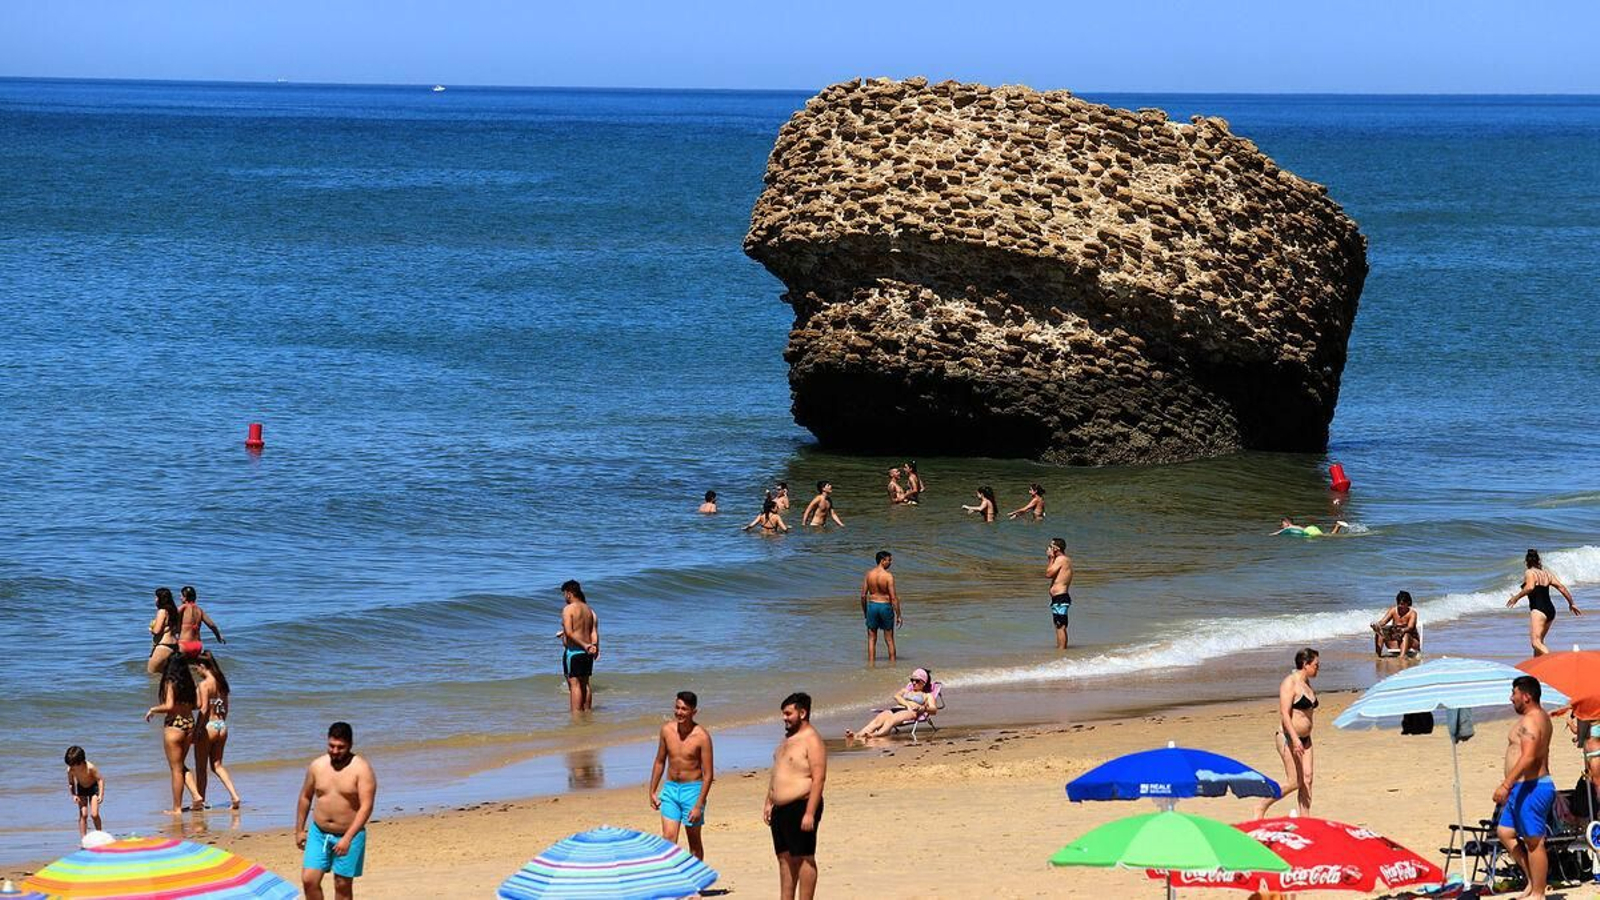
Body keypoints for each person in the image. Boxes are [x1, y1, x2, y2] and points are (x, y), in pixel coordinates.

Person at [297, 722, 377, 900]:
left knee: (342, 886)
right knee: (309, 880)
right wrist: (299, 830)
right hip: (319, 833)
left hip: (350, 834)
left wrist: (348, 838)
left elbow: (366, 807)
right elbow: (305, 797)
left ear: (350, 745)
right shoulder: (317, 766)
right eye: (331, 746)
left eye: (340, 747)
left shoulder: (361, 769)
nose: (334, 751)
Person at [1495, 675, 1556, 900]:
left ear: (1526, 696)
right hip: (1522, 788)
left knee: (1533, 840)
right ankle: (1533, 881)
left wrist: (1505, 784)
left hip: (1532, 787)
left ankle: (1538, 893)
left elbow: (1529, 756)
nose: (1511, 698)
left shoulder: (1532, 720)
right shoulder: (1539, 717)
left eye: (1514, 694)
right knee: (1505, 832)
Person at [765, 692, 826, 900]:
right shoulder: (788, 738)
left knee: (805, 858)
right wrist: (769, 801)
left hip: (801, 805)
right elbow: (777, 772)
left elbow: (818, 779)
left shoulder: (812, 739)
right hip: (779, 809)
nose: (784, 717)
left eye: (788, 713)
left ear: (802, 712)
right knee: (784, 858)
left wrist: (810, 812)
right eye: (783, 713)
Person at [649, 691, 714, 861]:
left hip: (692, 791)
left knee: (694, 841)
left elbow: (708, 774)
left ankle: (697, 883)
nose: (679, 712)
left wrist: (699, 805)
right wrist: (653, 791)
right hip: (670, 789)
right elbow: (659, 761)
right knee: (668, 839)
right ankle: (672, 881)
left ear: (694, 712)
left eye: (684, 709)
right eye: (677, 708)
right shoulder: (666, 730)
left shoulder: (702, 737)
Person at [1257, 648, 1319, 818]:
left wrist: (1302, 739)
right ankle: (1262, 805)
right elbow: (1285, 714)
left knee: (1307, 779)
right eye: (1315, 665)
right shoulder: (1290, 683)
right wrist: (1294, 739)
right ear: (1305, 664)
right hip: (1288, 738)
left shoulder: (1307, 683)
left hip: (1306, 740)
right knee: (1294, 782)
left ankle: (1305, 819)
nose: (1318, 668)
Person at [145, 654, 202, 813]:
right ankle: (196, 795)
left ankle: (177, 808)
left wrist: (153, 709)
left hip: (174, 726)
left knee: (176, 769)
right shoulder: (191, 683)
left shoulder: (170, 682)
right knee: (181, 766)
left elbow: (169, 706)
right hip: (189, 724)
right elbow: (197, 705)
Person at [1506, 549, 1581, 656]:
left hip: (1538, 609)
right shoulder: (1547, 574)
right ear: (1538, 561)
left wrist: (1516, 597)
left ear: (1526, 562)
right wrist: (1571, 603)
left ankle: (1553, 661)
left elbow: (1530, 587)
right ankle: (1537, 669)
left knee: (1535, 642)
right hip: (1550, 610)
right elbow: (1562, 588)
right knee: (1539, 642)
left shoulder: (1529, 572)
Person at [194, 652, 241, 809]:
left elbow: (204, 708)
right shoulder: (222, 684)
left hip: (209, 727)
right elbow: (226, 708)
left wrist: (197, 730)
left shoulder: (204, 685)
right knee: (217, 766)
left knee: (201, 769)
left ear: (203, 666)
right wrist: (220, 722)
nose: (196, 671)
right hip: (221, 725)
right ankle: (235, 796)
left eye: (197, 668)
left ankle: (200, 800)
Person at [845, 668, 935, 743]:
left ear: (923, 682)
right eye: (912, 680)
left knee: (891, 720)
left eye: (917, 680)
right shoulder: (906, 690)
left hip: (910, 712)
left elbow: (934, 710)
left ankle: (876, 734)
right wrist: (907, 704)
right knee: (877, 721)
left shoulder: (927, 695)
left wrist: (922, 708)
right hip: (896, 709)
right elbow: (896, 696)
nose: (914, 682)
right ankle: (858, 735)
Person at [558, 580, 600, 713]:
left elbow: (570, 633)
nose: (565, 597)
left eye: (564, 594)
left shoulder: (568, 609)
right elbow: (593, 632)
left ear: (569, 594)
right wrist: (594, 647)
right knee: (585, 684)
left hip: (574, 652)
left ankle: (576, 716)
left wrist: (584, 645)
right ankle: (587, 712)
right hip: (587, 653)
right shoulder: (589, 611)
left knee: (574, 685)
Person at [860, 551, 902, 665]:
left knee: (871, 639)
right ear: (882, 561)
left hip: (872, 606)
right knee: (889, 640)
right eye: (889, 560)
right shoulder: (888, 576)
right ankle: (893, 665)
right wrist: (899, 615)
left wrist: (865, 611)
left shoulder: (869, 574)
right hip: (885, 607)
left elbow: (863, 595)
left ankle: (871, 665)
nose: (890, 562)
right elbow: (893, 598)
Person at [63, 746, 104, 838]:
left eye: (73, 764)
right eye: (70, 764)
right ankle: (83, 839)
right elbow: (71, 783)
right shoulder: (70, 770)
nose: (72, 767)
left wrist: (101, 794)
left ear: (81, 761)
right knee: (83, 814)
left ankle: (100, 835)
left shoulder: (90, 767)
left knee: (94, 814)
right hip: (81, 789)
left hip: (93, 789)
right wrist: (74, 794)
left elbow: (100, 779)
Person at [176, 585, 225, 658]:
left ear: (185, 598)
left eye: (181, 596)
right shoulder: (199, 610)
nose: (180, 598)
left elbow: (170, 615)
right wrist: (218, 636)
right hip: (197, 646)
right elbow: (211, 625)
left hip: (184, 645)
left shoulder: (183, 607)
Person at [1371, 591, 1422, 657]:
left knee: (1405, 634)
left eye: (1402, 604)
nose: (1400, 606)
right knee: (1379, 633)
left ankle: (1401, 657)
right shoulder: (1393, 610)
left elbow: (1410, 627)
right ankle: (1378, 656)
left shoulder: (1412, 613)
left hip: (1411, 642)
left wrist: (1402, 630)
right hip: (1396, 641)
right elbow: (1383, 622)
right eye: (1398, 604)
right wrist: (1376, 625)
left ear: (1408, 603)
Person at [1046, 538, 1074, 649]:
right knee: (1059, 625)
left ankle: (1062, 651)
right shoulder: (1063, 560)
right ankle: (1061, 649)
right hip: (1059, 598)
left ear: (1056, 548)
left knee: (1060, 626)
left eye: (1051, 546)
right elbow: (1052, 575)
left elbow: (1048, 573)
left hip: (1060, 598)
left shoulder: (1061, 559)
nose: (1048, 548)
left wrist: (1051, 558)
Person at [147, 587, 181, 675]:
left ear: (160, 599)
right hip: (174, 646)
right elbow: (178, 630)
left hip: (163, 646)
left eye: (156, 597)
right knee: (169, 677)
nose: (155, 599)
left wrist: (151, 629)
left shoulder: (162, 611)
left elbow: (157, 631)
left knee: (152, 676)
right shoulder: (174, 611)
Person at [1272, 518, 1349, 537]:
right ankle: (1337, 526)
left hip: (1310, 530)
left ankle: (1337, 525)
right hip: (1310, 528)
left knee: (1327, 536)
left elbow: (1281, 531)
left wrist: (1273, 534)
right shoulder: (1295, 526)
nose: (1282, 526)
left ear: (1287, 523)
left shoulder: (1289, 527)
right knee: (1327, 535)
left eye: (1283, 524)